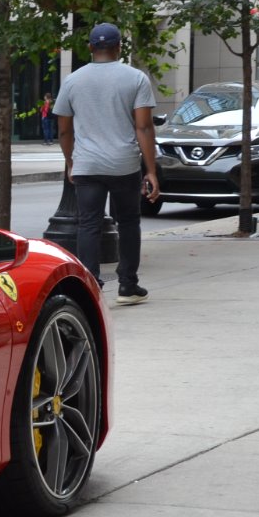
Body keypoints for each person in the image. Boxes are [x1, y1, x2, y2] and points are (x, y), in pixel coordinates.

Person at [53, 22, 160, 305]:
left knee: (88, 225)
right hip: (124, 164)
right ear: (119, 48)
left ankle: (91, 287)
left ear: (90, 47)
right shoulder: (135, 78)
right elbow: (144, 127)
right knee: (128, 222)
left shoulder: (72, 81)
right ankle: (128, 285)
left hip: (87, 164)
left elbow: (64, 129)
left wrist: (70, 161)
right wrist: (151, 170)